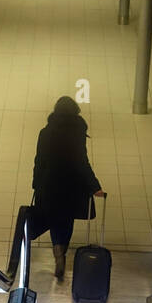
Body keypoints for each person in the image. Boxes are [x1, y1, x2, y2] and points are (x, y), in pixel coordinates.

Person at [31, 97, 104, 282]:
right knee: (66, 219)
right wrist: (94, 186)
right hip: (72, 184)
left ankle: (58, 253)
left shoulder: (45, 133)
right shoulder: (77, 132)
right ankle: (62, 250)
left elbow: (39, 161)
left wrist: (37, 184)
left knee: (54, 218)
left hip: (49, 183)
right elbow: (82, 162)